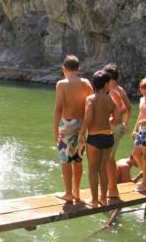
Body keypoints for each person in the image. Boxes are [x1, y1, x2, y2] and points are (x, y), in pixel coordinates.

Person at [54, 55, 93, 202]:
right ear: (78, 69)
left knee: (65, 159)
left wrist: (55, 129)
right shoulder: (86, 83)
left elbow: (58, 109)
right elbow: (91, 105)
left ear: (64, 68)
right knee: (78, 158)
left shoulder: (61, 84)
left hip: (66, 124)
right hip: (82, 124)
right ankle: (77, 192)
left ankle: (68, 193)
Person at [78, 70, 120, 207]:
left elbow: (88, 118)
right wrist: (108, 119)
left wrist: (81, 133)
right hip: (108, 137)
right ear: (106, 84)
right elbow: (117, 117)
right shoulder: (111, 99)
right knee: (103, 169)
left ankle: (94, 201)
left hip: (94, 138)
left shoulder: (91, 99)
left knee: (92, 170)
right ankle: (103, 198)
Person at [103, 63, 132, 198]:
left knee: (107, 159)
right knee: (111, 158)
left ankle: (113, 189)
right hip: (119, 128)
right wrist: (125, 124)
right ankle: (112, 186)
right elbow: (129, 107)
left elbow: (122, 108)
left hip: (114, 128)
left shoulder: (113, 90)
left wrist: (110, 120)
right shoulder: (119, 89)